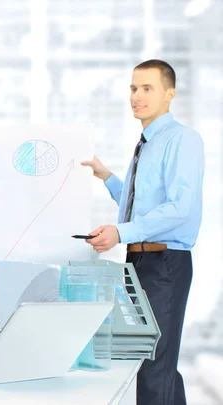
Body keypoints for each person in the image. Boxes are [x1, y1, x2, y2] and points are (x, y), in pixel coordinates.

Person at [82, 59, 204, 405]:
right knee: (155, 364)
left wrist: (120, 232)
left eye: (147, 88)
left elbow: (180, 209)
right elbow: (141, 207)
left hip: (164, 262)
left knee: (155, 367)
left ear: (169, 94)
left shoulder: (183, 140)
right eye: (133, 88)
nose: (137, 96)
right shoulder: (146, 144)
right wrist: (107, 177)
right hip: (139, 261)